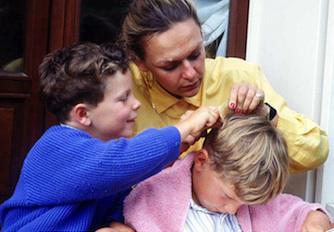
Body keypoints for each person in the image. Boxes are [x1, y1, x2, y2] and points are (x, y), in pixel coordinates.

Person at [0, 42, 221, 231]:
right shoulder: (56, 147)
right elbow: (120, 161)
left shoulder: (103, 163)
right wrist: (182, 128)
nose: (135, 104)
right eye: (123, 98)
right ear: (83, 114)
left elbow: (119, 199)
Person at [121, 0, 329, 172]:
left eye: (195, 55)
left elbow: (315, 152)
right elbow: (108, 176)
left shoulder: (237, 76)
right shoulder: (124, 90)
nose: (191, 73)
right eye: (171, 66)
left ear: (202, 37)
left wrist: (265, 114)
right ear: (140, 63)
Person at [124, 115, 333, 232]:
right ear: (201, 161)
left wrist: (316, 221)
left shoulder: (248, 202)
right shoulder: (156, 196)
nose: (234, 209)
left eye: (243, 203)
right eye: (228, 196)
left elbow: (300, 212)